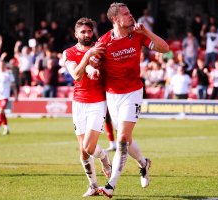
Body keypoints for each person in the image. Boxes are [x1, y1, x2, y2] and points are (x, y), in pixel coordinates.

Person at [87, 3, 169, 198]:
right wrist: (94, 67)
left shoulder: (138, 34)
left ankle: (111, 185)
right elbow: (92, 62)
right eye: (126, 14)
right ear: (115, 19)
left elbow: (164, 48)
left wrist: (147, 31)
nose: (131, 16)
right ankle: (143, 163)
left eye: (130, 12)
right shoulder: (105, 41)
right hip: (112, 95)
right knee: (126, 140)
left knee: (122, 139)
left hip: (133, 93)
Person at [63, 17, 112, 197]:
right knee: (83, 152)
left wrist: (94, 63)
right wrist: (87, 57)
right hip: (78, 104)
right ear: (76, 34)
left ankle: (104, 156)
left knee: (90, 148)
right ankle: (93, 186)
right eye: (83, 32)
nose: (86, 34)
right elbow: (76, 75)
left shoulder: (101, 50)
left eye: (89, 31)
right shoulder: (68, 53)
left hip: (97, 102)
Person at [0, 60, 18, 135]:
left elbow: (13, 85)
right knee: (1, 113)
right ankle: (6, 129)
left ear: (5, 65)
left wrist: (16, 95)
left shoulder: (8, 73)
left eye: (2, 64)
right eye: (0, 64)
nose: (1, 66)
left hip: (5, 96)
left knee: (1, 110)